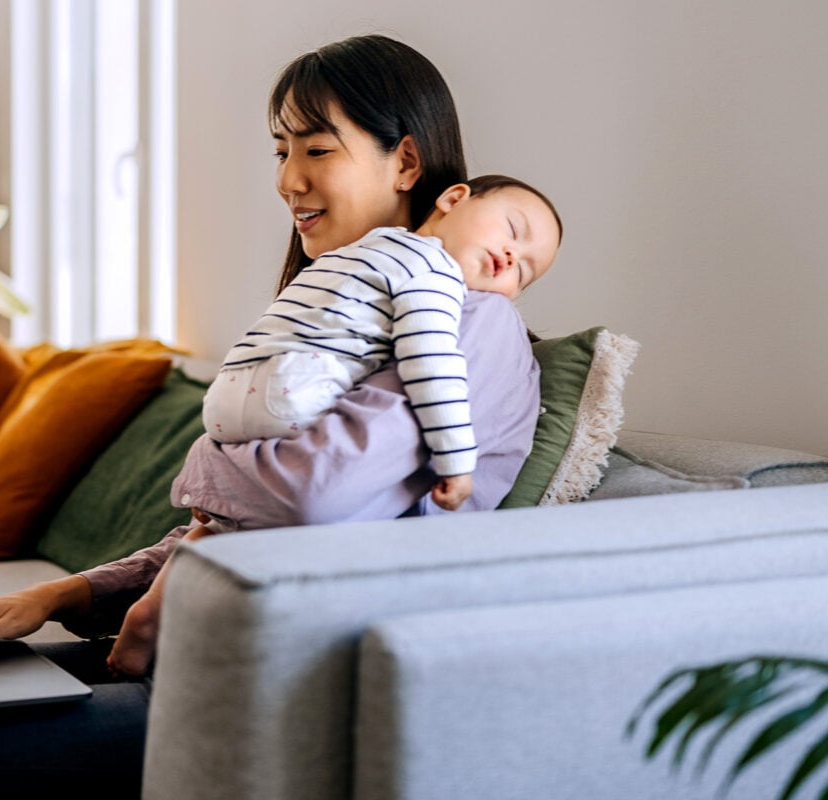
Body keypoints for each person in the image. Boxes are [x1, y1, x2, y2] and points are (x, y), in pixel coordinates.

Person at [0, 35, 542, 799]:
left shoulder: (470, 322)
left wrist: (203, 470)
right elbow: (230, 532)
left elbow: (306, 499)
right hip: (204, 646)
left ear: (406, 161)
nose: (289, 179)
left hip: (280, 686)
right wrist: (63, 596)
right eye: (282, 150)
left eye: (317, 149)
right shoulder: (343, 313)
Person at [106, 174, 562, 677]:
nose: (509, 257)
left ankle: (147, 614)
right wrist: (455, 461)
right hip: (291, 396)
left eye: (525, 271)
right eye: (512, 231)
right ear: (453, 198)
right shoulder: (433, 276)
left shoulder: (365, 251)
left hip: (230, 400)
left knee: (222, 527)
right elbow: (432, 367)